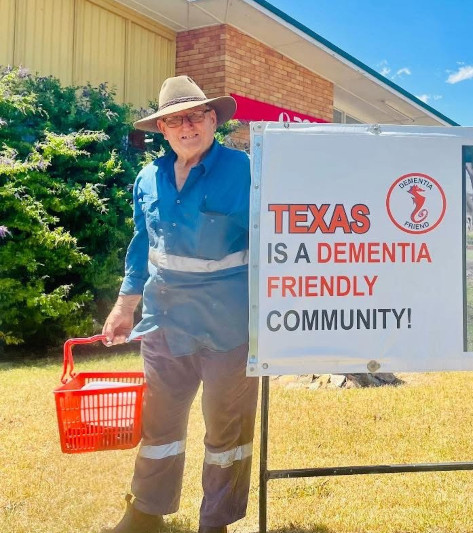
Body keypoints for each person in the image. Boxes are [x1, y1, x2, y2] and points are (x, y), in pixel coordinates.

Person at [100, 76, 256, 533]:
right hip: (165, 322)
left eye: (195, 116)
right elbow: (141, 244)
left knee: (227, 429)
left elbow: (276, 242)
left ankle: (217, 522)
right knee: (159, 422)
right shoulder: (148, 177)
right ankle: (146, 511)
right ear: (162, 130)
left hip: (229, 325)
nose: (186, 126)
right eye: (175, 119)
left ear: (213, 120)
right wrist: (123, 306)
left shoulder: (247, 170)